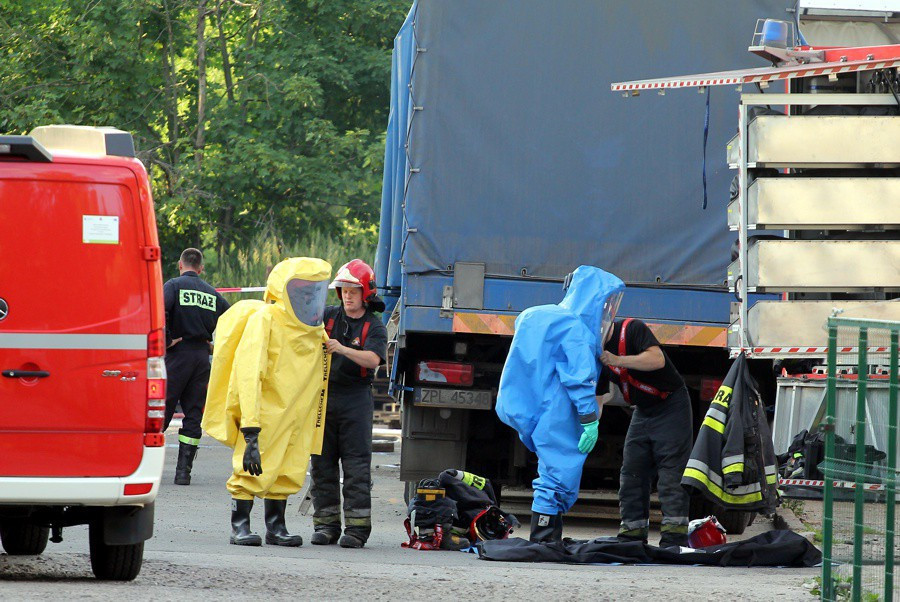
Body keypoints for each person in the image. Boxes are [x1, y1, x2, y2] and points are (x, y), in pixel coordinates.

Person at [202, 257, 332, 547]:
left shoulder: (315, 329)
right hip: (266, 412)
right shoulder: (266, 320)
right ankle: (240, 526)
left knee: (289, 469)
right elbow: (248, 373)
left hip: (298, 415)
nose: (310, 297)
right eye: (303, 290)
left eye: (315, 291)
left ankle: (276, 527)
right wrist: (250, 429)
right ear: (283, 290)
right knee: (250, 469)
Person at [495, 265, 625, 543]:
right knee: (559, 473)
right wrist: (589, 420)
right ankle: (544, 537)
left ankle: (545, 536)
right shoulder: (575, 328)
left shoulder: (534, 314)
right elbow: (579, 379)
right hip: (557, 408)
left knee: (550, 467)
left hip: (524, 405)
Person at [309, 259, 388, 549]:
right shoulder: (328, 316)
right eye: (343, 289)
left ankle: (356, 530)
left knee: (356, 467)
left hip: (356, 399)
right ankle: (326, 525)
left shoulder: (374, 327)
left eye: (353, 290)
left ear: (366, 292)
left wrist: (341, 348)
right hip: (323, 398)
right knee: (321, 464)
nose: (347, 295)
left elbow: (374, 360)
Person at [598, 317, 692, 547]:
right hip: (642, 410)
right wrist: (588, 427)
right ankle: (632, 533)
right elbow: (598, 398)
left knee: (671, 472)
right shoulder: (596, 355)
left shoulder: (632, 329)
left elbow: (657, 359)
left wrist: (618, 360)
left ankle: (673, 538)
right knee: (632, 471)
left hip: (671, 404)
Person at [163, 248, 230, 485]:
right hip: (201, 357)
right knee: (193, 412)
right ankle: (183, 473)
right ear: (200, 269)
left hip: (177, 355)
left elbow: (158, 311)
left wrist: (166, 340)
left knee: (163, 409)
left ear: (180, 265)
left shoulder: (173, 285)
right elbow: (233, 320)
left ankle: (143, 464)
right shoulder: (213, 294)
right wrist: (216, 345)